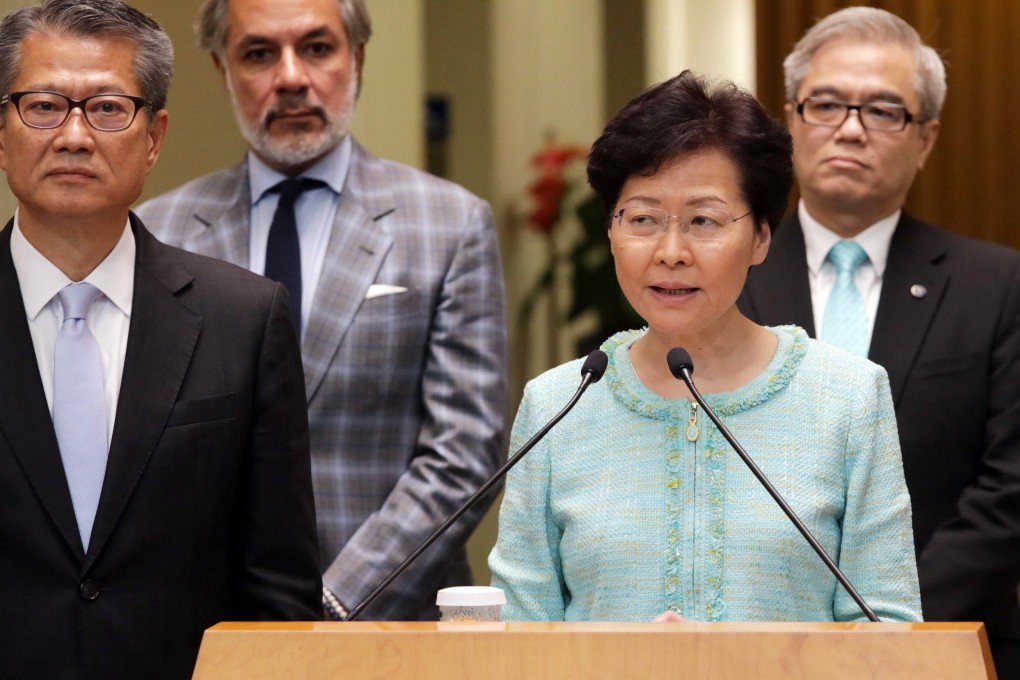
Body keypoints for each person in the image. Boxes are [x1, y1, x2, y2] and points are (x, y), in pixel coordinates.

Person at [488, 71, 921, 623]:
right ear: (611, 231)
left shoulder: (847, 398)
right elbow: (520, 633)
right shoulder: (558, 405)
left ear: (761, 236)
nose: (671, 251)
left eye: (703, 220)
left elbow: (889, 631)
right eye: (642, 219)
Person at [136, 0, 508, 621]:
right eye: (258, 53)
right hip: (207, 627)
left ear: (357, 58)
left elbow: (465, 447)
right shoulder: (158, 232)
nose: (290, 77)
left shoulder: (451, 224)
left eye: (316, 48)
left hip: (395, 621)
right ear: (223, 69)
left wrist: (333, 602)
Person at [0, 0, 321, 678]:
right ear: (2, 131)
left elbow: (279, 592)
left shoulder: (244, 320)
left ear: (154, 137)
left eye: (109, 108)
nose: (75, 136)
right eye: (44, 106)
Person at [737, 7, 1020, 674]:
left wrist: (889, 625)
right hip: (752, 645)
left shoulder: (998, 286)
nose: (852, 130)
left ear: (925, 139)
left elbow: (1009, 491)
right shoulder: (726, 282)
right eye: (827, 104)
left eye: (885, 111)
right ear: (792, 121)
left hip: (949, 645)